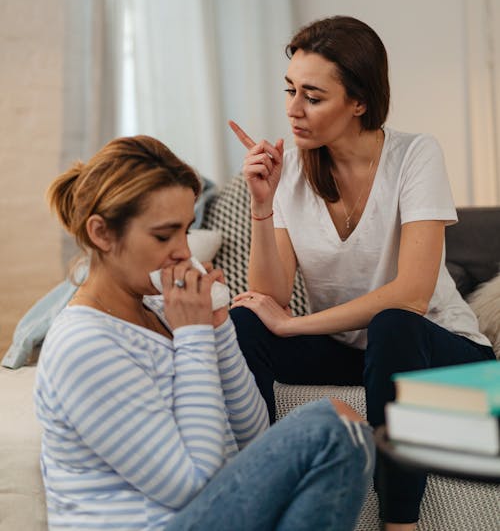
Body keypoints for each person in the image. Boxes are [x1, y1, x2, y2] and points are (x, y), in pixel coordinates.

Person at [228, 16, 496, 531]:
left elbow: (413, 296)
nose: (292, 109)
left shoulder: (416, 155)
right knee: (245, 324)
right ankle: (260, 492)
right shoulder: (292, 173)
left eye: (312, 95)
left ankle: (400, 524)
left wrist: (294, 325)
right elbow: (268, 297)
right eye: (290, 91)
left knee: (393, 323)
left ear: (359, 102)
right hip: (358, 352)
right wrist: (262, 205)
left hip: (433, 347)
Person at [34, 134, 374, 531]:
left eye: (186, 231)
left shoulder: (165, 311)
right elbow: (192, 486)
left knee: (344, 428)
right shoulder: (84, 344)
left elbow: (252, 437)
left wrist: (218, 325)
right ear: (102, 234)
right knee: (332, 429)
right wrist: (194, 337)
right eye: (164, 235)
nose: (183, 251)